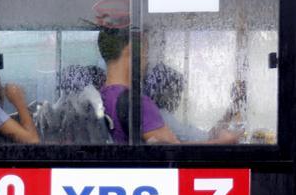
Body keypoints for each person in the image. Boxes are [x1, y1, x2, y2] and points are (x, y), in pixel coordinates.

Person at [98, 28, 239, 144]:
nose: (146, 60)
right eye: (145, 51)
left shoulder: (101, 98)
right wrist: (223, 142)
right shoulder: (138, 104)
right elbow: (175, 152)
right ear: (131, 50)